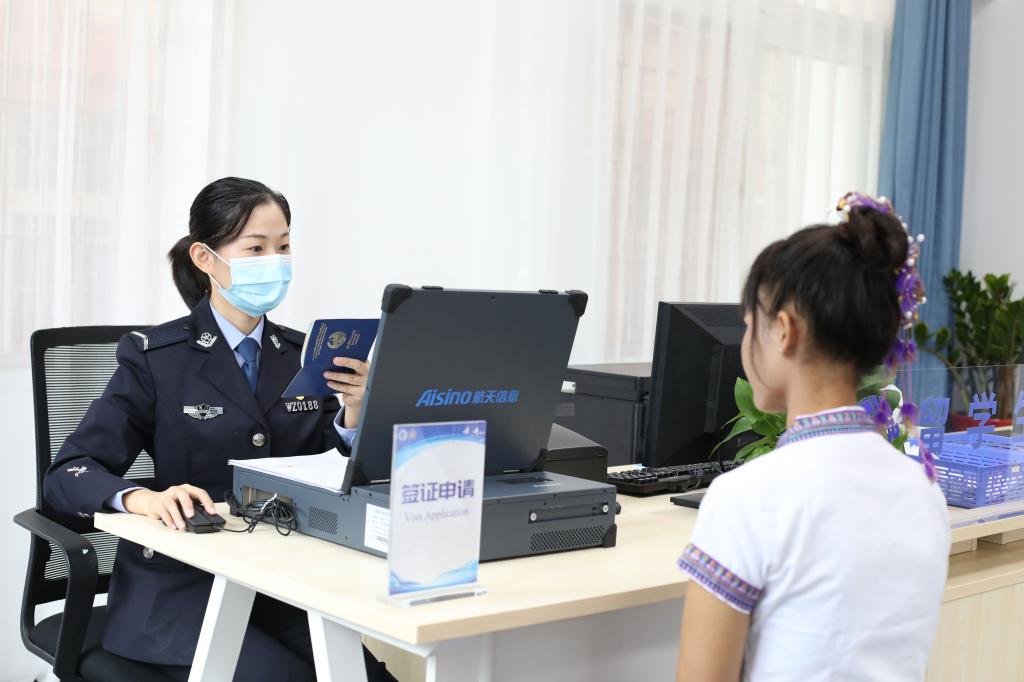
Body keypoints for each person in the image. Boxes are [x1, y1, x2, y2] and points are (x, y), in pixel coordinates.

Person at [45, 177, 395, 681]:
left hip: (284, 585)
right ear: (204, 258)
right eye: (255, 248)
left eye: (283, 246)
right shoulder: (155, 359)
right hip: (178, 592)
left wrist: (356, 412)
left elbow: (325, 471)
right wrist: (143, 499)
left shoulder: (303, 355)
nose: (275, 261)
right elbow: (67, 474)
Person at [675, 194, 949, 681]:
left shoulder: (748, 498)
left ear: (784, 331)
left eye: (749, 327)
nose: (745, 344)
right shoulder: (924, 491)